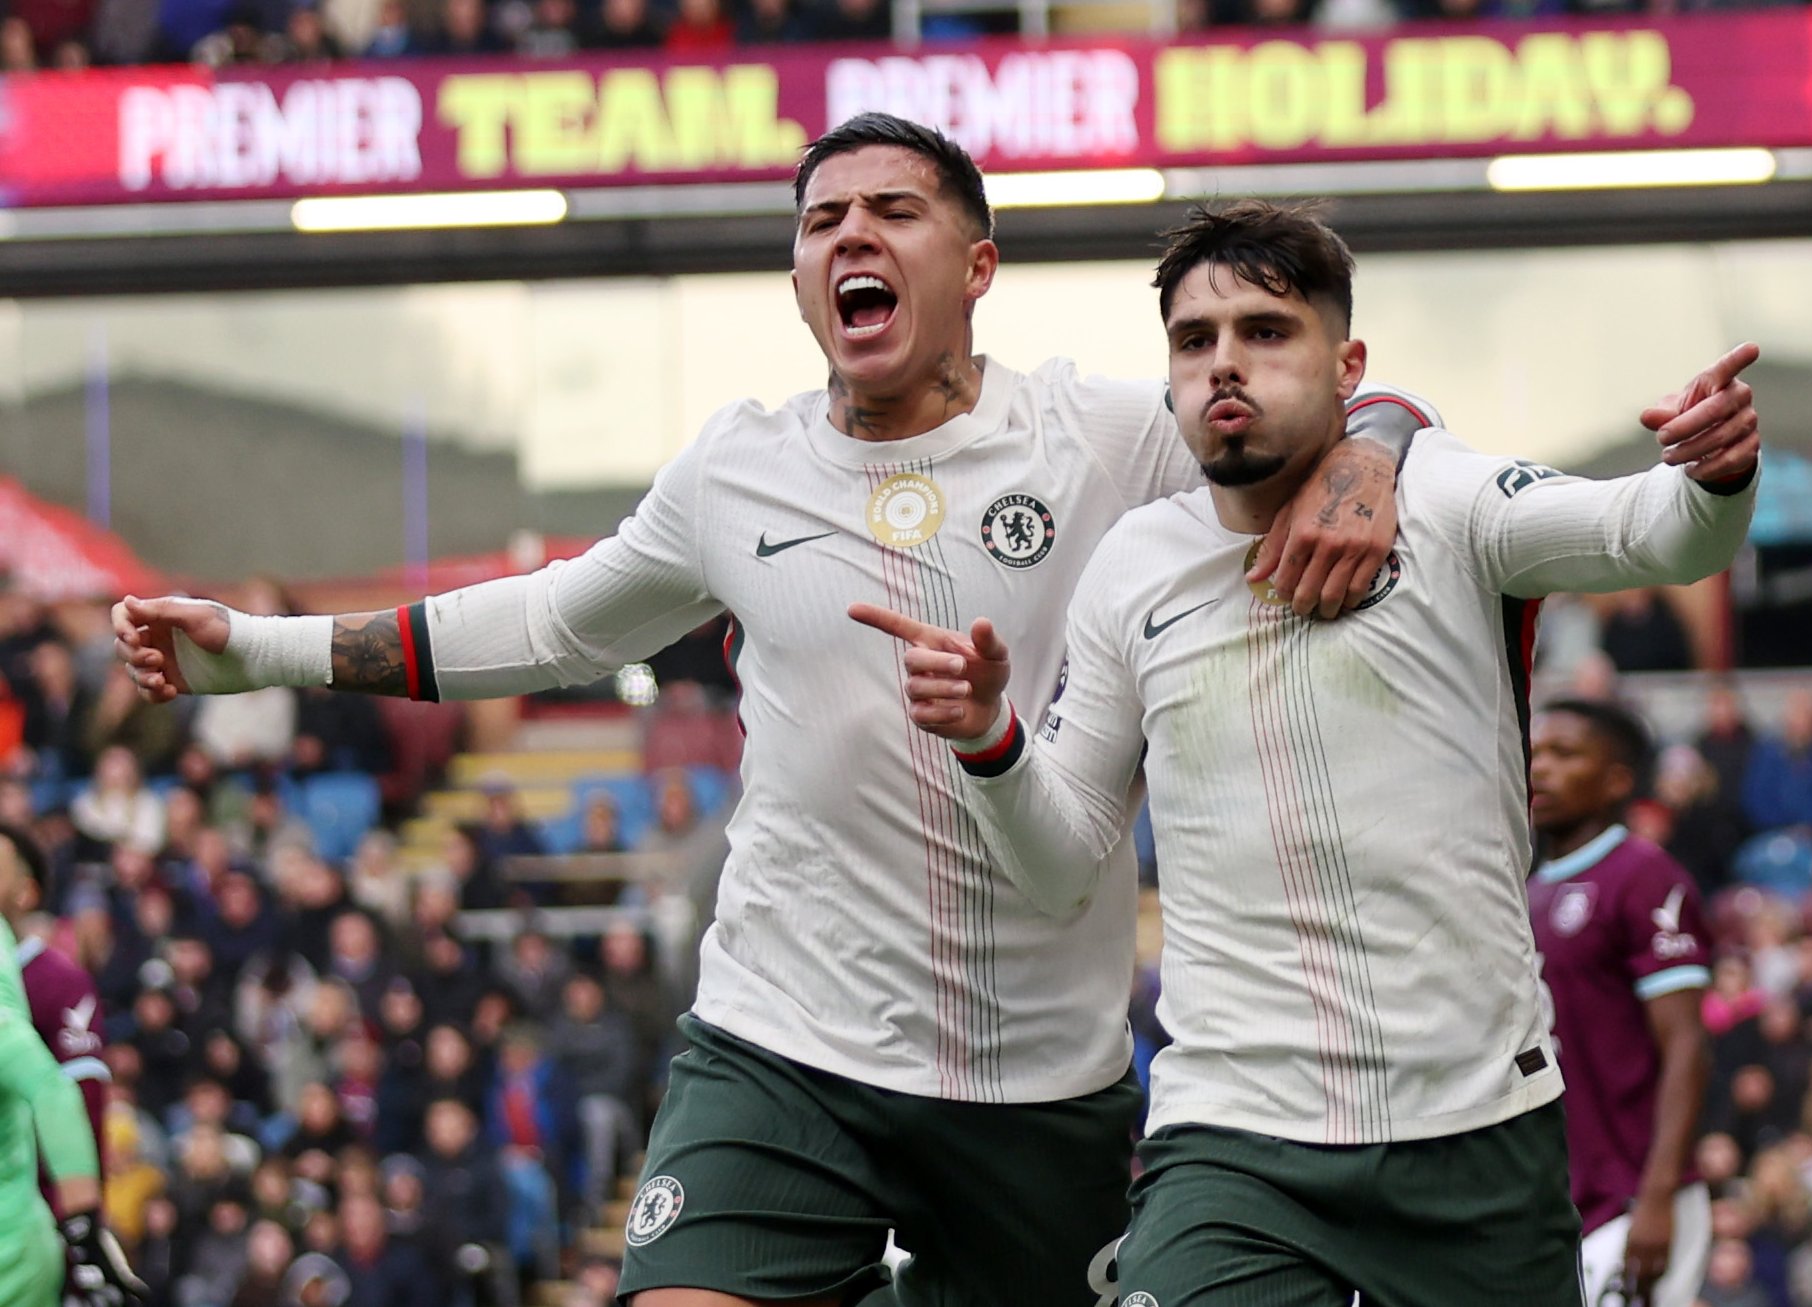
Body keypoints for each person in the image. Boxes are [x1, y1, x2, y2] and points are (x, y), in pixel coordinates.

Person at [109, 115, 1435, 1307]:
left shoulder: (1102, 435)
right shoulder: (737, 470)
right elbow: (548, 621)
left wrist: (1370, 453)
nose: (851, 234)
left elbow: (1328, 399)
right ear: (801, 281)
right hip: (781, 1044)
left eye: (894, 210)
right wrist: (258, 649)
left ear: (977, 266)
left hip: (1033, 1078)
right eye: (821, 221)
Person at [857, 199, 1760, 1305]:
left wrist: (1713, 474)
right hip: (1232, 1143)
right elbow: (1059, 863)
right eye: (1194, 340)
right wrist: (990, 740)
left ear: (1348, 365)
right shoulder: (1130, 566)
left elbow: (1650, 531)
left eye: (1265, 331)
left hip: (1476, 1131)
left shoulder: (1446, 498)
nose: (1224, 362)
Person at [1526, 700, 1715, 1307]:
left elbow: (1686, 1043)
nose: (1540, 768)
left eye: (1565, 754)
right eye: (1536, 752)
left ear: (1617, 780)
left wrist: (1658, 1196)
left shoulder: (1642, 874)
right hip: (1560, 1205)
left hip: (1635, 1197)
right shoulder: (1528, 888)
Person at [0, 823, 146, 1307]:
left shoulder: (55, 981)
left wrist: (79, 1228)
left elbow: (74, 1099)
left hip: (31, 1225)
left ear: (26, 891)